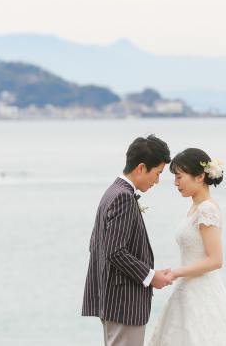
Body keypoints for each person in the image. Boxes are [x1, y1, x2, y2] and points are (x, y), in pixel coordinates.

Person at [146, 148, 226, 346]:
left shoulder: (207, 209)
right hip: (186, 289)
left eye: (179, 177)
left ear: (200, 176)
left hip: (201, 291)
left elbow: (215, 260)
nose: (175, 183)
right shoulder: (194, 207)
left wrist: (176, 273)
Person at [82, 134, 174, 346]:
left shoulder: (112, 191)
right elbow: (115, 251)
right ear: (141, 168)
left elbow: (96, 245)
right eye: (158, 173)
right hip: (124, 303)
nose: (157, 181)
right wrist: (150, 276)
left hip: (112, 300)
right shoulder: (123, 197)